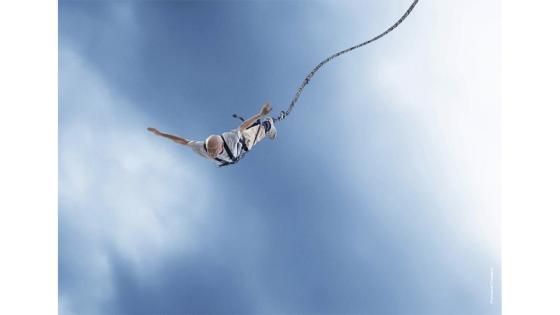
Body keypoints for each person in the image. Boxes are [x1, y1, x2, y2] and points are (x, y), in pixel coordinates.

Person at [147, 103, 277, 167]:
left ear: (221, 145)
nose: (212, 154)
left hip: (243, 142)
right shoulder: (201, 148)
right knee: (250, 131)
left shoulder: (231, 138)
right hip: (233, 156)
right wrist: (160, 134)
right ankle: (262, 125)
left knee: (255, 132)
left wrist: (260, 114)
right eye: (210, 151)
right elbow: (182, 141)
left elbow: (242, 126)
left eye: (214, 151)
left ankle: (268, 124)